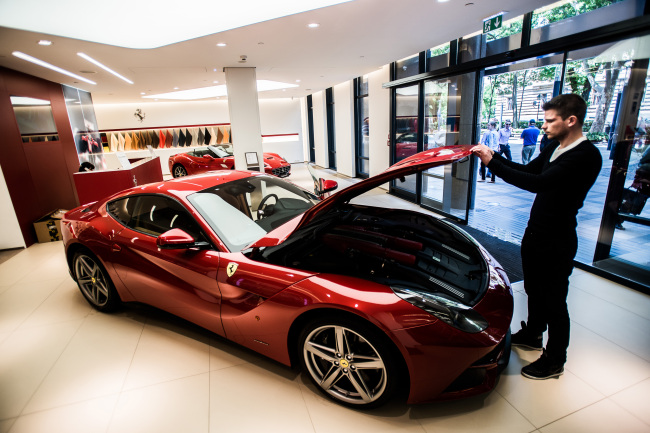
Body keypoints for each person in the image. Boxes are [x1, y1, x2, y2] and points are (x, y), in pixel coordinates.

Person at [472, 94, 602, 380]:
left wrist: (492, 164)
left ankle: (555, 359)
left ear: (571, 120)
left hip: (558, 238)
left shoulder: (586, 156)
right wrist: (495, 158)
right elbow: (530, 169)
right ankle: (533, 333)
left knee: (554, 300)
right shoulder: (555, 145)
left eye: (549, 120)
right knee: (533, 287)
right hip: (536, 232)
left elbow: (537, 183)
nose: (543, 126)